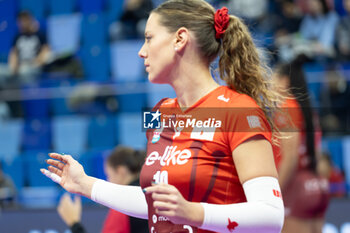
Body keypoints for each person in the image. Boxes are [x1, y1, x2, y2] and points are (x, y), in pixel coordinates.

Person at [41, 1, 285, 232]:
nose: (141, 52)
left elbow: (271, 216)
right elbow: (153, 202)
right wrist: (84, 184)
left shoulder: (238, 110)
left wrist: (195, 213)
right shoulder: (158, 113)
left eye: (149, 39)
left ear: (180, 39)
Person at [272, 60, 329, 233]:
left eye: (273, 78)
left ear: (284, 81)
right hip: (316, 184)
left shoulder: (287, 107)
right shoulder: (308, 110)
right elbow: (317, 155)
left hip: (295, 186)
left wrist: (274, 193)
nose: (270, 84)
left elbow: (290, 159)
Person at [57, 146, 148, 233]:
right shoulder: (151, 194)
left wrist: (74, 223)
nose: (108, 180)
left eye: (109, 175)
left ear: (121, 171)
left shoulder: (122, 207)